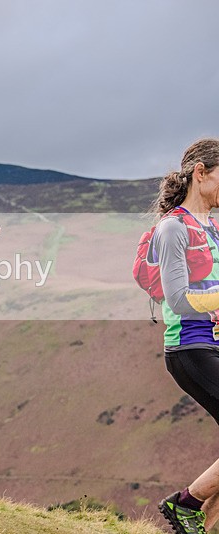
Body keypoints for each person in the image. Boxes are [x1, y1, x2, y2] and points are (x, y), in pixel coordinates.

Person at [151, 139, 219, 533]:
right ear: (201, 173)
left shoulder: (213, 228)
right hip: (190, 347)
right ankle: (185, 504)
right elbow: (177, 298)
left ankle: (198, 520)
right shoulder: (173, 228)